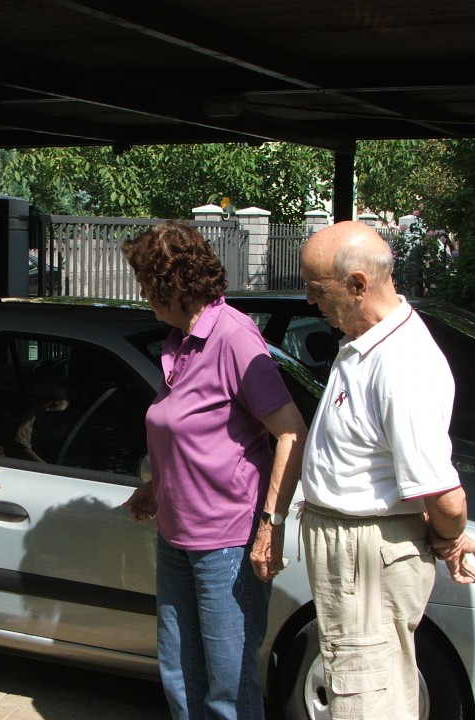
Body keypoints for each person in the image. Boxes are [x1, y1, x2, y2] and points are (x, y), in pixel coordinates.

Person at [294, 221, 475, 720]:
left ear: (358, 285)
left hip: (365, 552)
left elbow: (447, 499)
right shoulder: (368, 339)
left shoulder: (402, 364)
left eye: (318, 290)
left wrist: (449, 539)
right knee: (363, 683)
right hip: (354, 549)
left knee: (367, 695)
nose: (311, 302)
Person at [121, 221, 307, 720]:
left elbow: (290, 430)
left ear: (171, 284)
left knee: (228, 690)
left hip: (227, 543)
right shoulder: (179, 341)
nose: (144, 297)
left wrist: (271, 526)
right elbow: (190, 430)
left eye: (146, 285)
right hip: (176, 536)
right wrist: (156, 487)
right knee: (180, 677)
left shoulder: (233, 336)